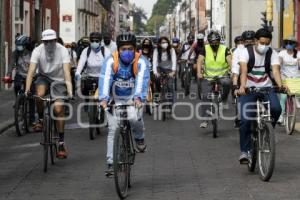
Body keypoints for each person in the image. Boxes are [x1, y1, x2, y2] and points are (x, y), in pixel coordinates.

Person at [98, 33, 150, 175]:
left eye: (130, 49)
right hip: (115, 98)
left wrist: (138, 98)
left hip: (134, 98)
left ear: (135, 49)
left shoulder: (141, 62)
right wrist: (103, 99)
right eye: (123, 49)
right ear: (118, 50)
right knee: (113, 129)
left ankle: (139, 138)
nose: (126, 52)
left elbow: (142, 81)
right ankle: (110, 163)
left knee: (134, 118)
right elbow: (105, 78)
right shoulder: (111, 61)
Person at [238, 28, 285, 163]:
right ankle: (245, 151)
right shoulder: (245, 52)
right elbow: (244, 70)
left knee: (277, 109)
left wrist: (280, 85)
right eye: (262, 43)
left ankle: (267, 131)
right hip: (249, 88)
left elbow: (275, 70)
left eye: (267, 43)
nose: (264, 46)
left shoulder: (272, 53)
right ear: (255, 41)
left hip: (266, 87)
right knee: (245, 120)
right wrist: (242, 86)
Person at [25, 29, 73, 159]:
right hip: (43, 77)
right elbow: (31, 70)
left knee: (58, 109)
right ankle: (40, 119)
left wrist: (69, 90)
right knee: (39, 95)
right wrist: (27, 89)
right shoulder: (37, 50)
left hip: (59, 80)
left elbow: (67, 72)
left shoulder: (62, 50)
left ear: (55, 40)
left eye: (51, 41)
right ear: (42, 42)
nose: (49, 44)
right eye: (46, 42)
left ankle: (61, 143)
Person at [197, 30, 232, 128]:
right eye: (212, 42)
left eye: (216, 42)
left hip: (222, 75)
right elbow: (199, 61)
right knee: (205, 97)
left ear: (219, 41)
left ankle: (224, 99)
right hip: (208, 76)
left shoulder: (225, 49)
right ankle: (205, 120)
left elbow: (230, 61)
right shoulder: (205, 48)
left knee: (228, 83)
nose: (214, 44)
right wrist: (199, 73)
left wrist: (233, 70)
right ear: (209, 41)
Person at [75, 32, 111, 104]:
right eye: (92, 41)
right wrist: (78, 72)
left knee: (104, 94)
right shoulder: (86, 51)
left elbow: (109, 64)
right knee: (84, 89)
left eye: (96, 41)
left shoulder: (106, 51)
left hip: (101, 77)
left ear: (100, 41)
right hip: (89, 76)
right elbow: (81, 62)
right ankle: (86, 102)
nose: (94, 42)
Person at [9, 35, 36, 127]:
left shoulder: (32, 53)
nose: (18, 47)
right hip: (20, 74)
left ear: (25, 45)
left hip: (32, 76)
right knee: (16, 85)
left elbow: (38, 65)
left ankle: (32, 120)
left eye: (20, 45)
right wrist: (8, 75)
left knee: (31, 97)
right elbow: (11, 64)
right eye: (17, 45)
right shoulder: (15, 53)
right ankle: (19, 100)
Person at [231, 30, 256, 128]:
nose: (249, 43)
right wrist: (235, 86)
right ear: (243, 42)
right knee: (240, 98)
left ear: (255, 41)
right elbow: (236, 71)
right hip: (242, 78)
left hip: (258, 80)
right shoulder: (238, 52)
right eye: (247, 41)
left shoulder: (259, 50)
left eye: (251, 41)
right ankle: (239, 117)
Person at [277, 36, 300, 124]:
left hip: (296, 79)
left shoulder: (298, 54)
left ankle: (296, 99)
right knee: (283, 97)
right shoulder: (282, 53)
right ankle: (281, 116)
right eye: (287, 43)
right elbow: (278, 64)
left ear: (294, 45)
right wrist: (277, 66)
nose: (288, 45)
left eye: (291, 43)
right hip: (284, 78)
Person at [153, 36, 177, 102]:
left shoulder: (172, 50)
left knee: (170, 85)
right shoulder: (156, 50)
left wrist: (173, 71)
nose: (164, 44)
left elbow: (174, 60)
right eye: (163, 42)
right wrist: (155, 72)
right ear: (159, 44)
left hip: (169, 69)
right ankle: (157, 97)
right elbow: (154, 62)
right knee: (157, 81)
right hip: (160, 68)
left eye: (166, 42)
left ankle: (171, 102)